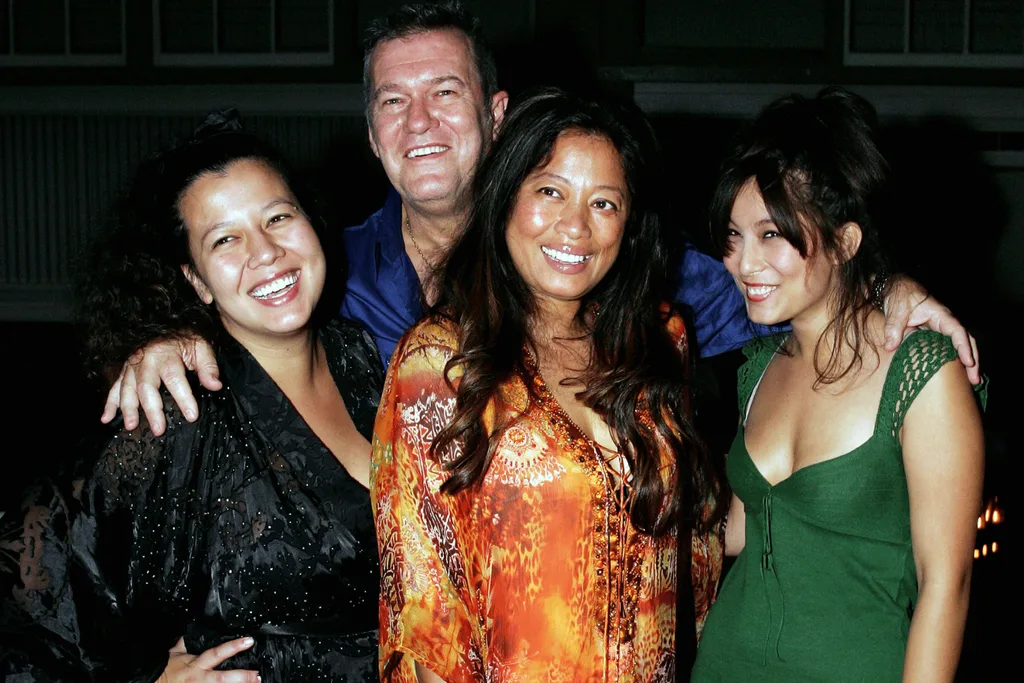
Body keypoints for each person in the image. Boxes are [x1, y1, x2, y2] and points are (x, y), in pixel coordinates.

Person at [97, 1, 980, 440]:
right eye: (393, 103)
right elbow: (244, 298)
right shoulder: (329, 270)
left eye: (447, 93)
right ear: (370, 133)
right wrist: (165, 332)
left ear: (497, 113)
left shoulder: (591, 251)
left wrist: (886, 292)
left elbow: (776, 289)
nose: (421, 123)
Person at [0, 114, 384, 682]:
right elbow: (33, 578)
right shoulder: (179, 409)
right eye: (225, 239)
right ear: (198, 281)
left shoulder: (361, 358)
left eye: (278, 217)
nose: (266, 252)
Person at [372, 86, 723, 683]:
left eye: (605, 203)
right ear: (505, 196)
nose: (575, 227)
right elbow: (424, 610)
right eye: (550, 191)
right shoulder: (439, 363)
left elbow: (697, 533)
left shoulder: (661, 341)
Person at [690, 88, 985, 682]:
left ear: (846, 242)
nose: (743, 264)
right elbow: (741, 532)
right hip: (724, 666)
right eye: (733, 237)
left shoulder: (922, 373)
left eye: (772, 235)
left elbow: (945, 588)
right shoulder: (758, 366)